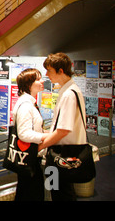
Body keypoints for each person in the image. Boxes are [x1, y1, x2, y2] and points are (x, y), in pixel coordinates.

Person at [38, 52, 87, 201]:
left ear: (61, 71)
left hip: (61, 154)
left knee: (60, 194)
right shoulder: (69, 90)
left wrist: (41, 146)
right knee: (59, 191)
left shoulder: (68, 94)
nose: (47, 74)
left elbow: (63, 130)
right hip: (63, 153)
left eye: (50, 70)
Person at [12, 68, 48, 201]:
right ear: (28, 84)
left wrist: (45, 133)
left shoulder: (29, 103)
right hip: (29, 158)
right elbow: (24, 134)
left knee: (26, 192)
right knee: (32, 194)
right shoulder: (26, 105)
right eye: (38, 79)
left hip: (30, 158)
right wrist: (47, 137)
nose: (42, 81)